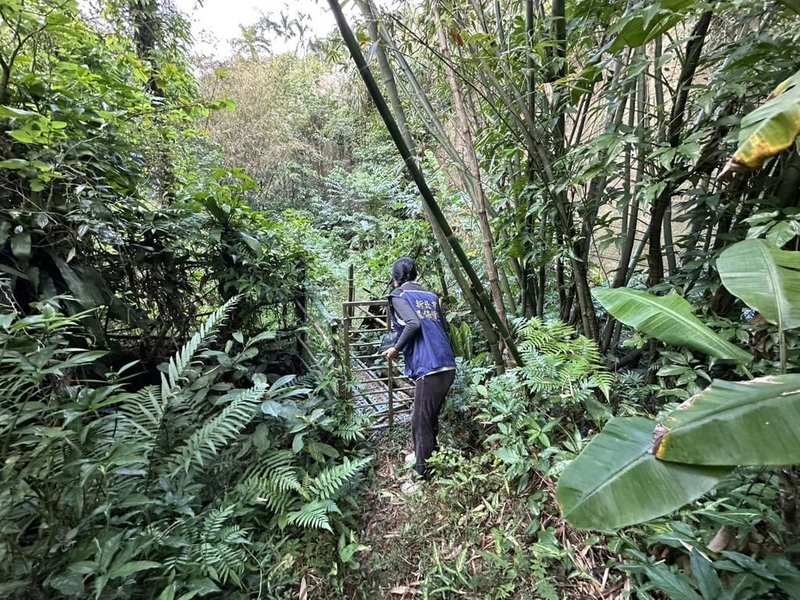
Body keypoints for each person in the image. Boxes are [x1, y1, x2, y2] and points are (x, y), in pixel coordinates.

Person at [381, 257, 456, 489]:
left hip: (429, 367)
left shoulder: (399, 296)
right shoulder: (431, 297)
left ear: (395, 278)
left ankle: (422, 476)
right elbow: (442, 328)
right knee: (428, 415)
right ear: (415, 275)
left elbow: (413, 324)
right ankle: (428, 457)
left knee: (419, 420)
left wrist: (395, 348)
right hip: (446, 364)